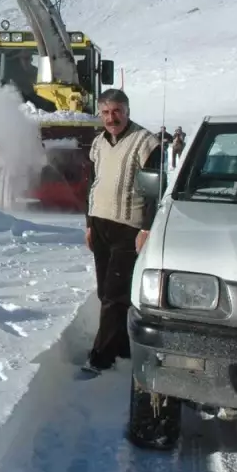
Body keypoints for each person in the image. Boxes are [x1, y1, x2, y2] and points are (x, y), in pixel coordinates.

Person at [81, 88, 162, 376]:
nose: (111, 118)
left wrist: (147, 228)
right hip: (101, 224)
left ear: (127, 111)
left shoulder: (147, 143)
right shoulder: (98, 143)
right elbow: (93, 183)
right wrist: (89, 224)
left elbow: (156, 190)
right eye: (105, 112)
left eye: (116, 111)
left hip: (129, 227)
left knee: (115, 294)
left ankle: (100, 358)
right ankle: (122, 346)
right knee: (107, 291)